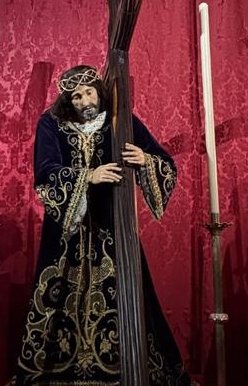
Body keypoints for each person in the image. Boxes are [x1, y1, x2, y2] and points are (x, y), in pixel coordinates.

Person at [11, 65, 192, 385]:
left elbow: (163, 162)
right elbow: (45, 173)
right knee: (59, 298)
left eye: (90, 92)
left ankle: (129, 368)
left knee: (128, 298)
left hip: (112, 231)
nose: (84, 101)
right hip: (66, 236)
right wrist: (87, 177)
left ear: (100, 91)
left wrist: (145, 161)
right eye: (77, 96)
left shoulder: (120, 121)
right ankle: (57, 371)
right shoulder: (50, 123)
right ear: (68, 100)